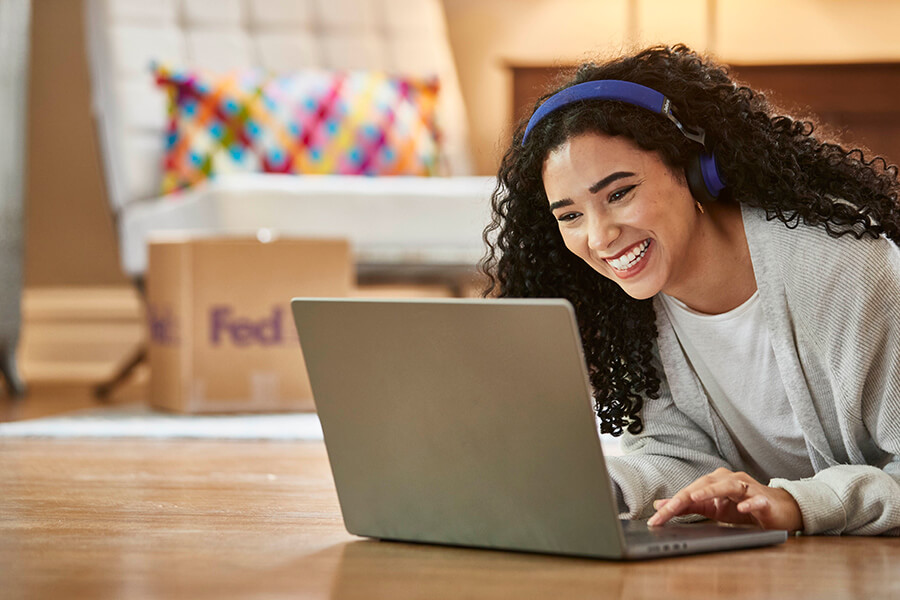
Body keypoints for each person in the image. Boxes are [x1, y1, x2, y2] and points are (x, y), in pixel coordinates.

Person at [480, 44, 900, 536]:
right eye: (570, 215)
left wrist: (795, 503)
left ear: (697, 170)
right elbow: (676, 457)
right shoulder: (628, 299)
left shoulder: (843, 266)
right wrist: (592, 486)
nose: (598, 238)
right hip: (765, 569)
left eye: (619, 194)